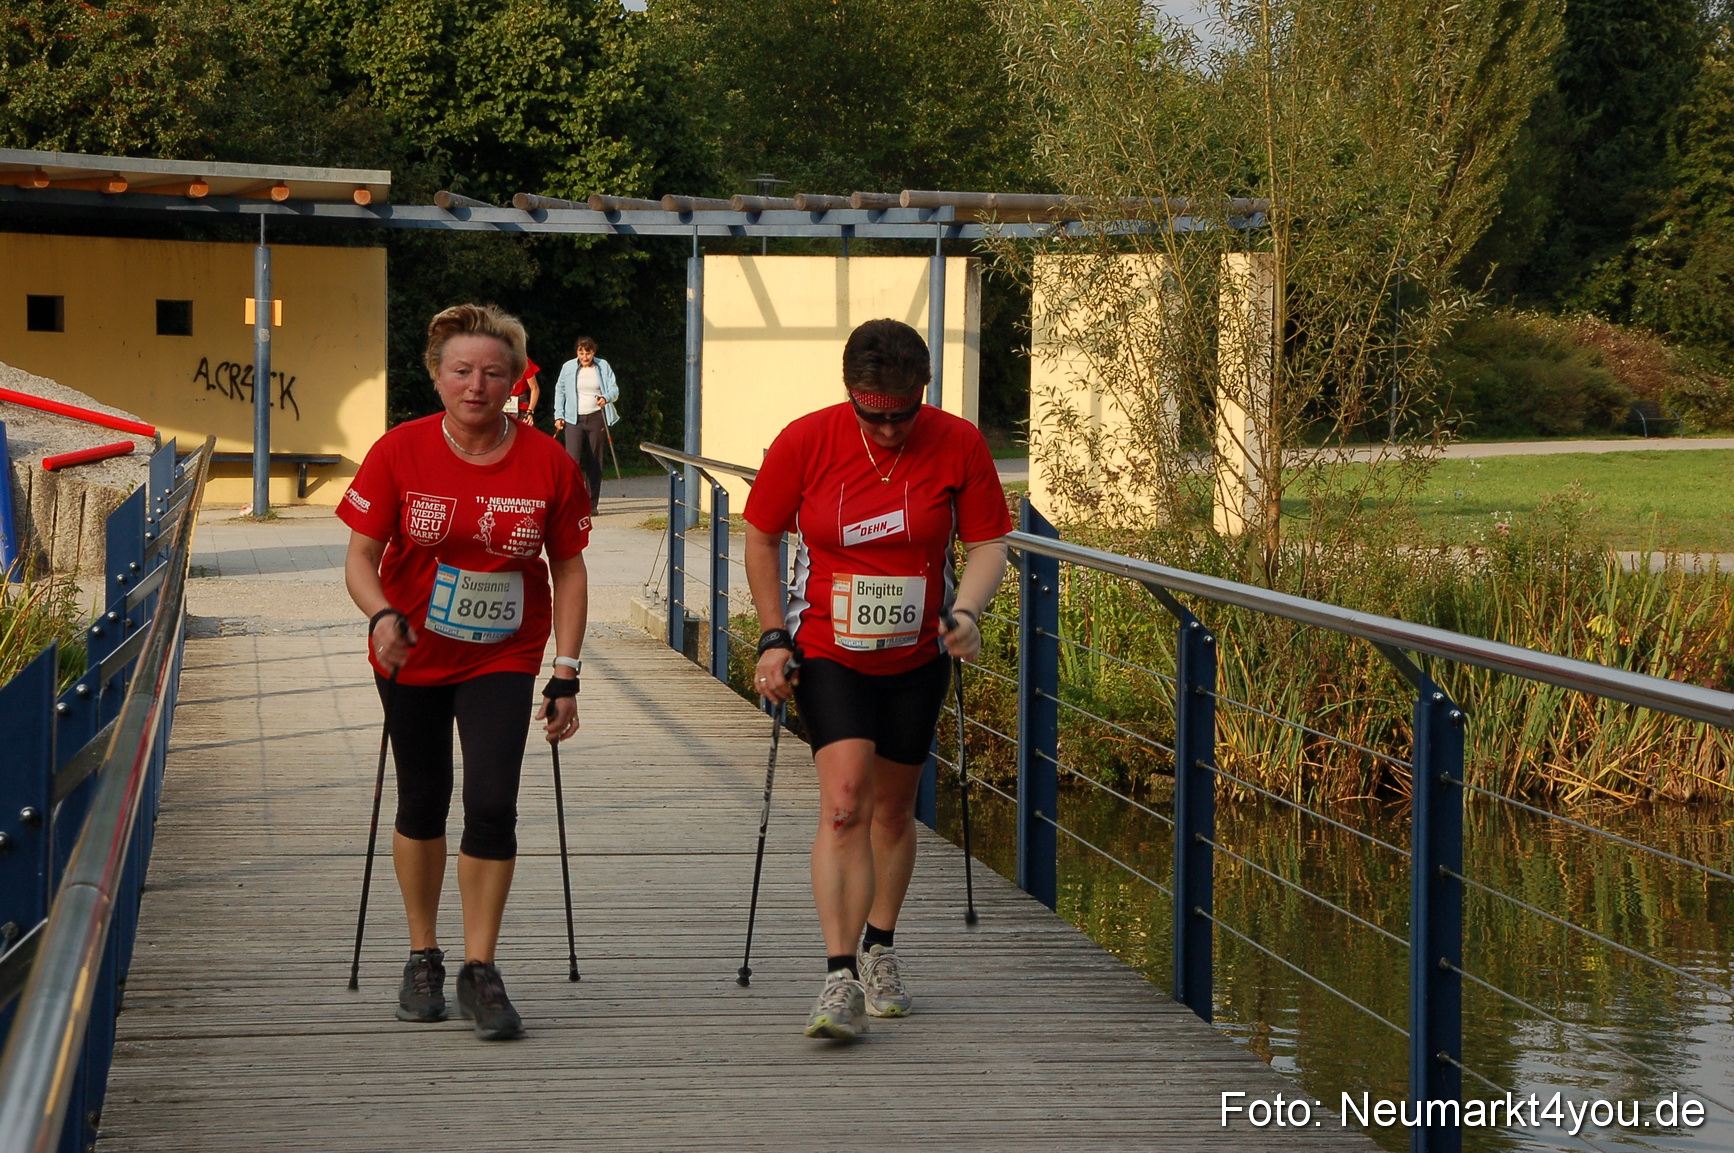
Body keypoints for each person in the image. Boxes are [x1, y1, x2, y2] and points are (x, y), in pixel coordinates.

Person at [743, 318, 1011, 1041]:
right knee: (843, 801)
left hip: (918, 654)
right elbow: (762, 533)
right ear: (851, 395)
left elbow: (988, 542)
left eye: (903, 413)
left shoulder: (958, 442)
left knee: (894, 810)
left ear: (922, 391)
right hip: (829, 647)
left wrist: (966, 609)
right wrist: (773, 633)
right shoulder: (807, 440)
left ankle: (880, 947)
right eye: (874, 415)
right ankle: (837, 977)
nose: (889, 429)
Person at [338, 303, 592, 1041]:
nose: (476, 385)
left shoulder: (549, 461)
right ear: (437, 375)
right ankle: (424, 954)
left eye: (492, 372)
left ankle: (481, 967)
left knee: (490, 802)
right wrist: (382, 616)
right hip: (410, 649)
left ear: (516, 380)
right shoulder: (399, 450)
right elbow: (359, 556)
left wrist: (566, 668)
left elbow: (568, 568)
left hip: (501, 653)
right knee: (422, 799)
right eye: (461, 371)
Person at [553, 337, 619, 515]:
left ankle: (591, 504)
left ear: (593, 352)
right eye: (581, 352)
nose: (584, 356)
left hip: (596, 417)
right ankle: (573, 501)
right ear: (577, 352)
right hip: (573, 419)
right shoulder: (568, 367)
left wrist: (606, 397)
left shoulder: (602, 366)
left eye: (588, 353)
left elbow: (614, 389)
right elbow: (560, 391)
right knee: (571, 461)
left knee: (595, 460)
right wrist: (558, 414)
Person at [507, 357, 540, 426]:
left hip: (520, 408)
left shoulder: (523, 361)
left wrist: (530, 412)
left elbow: (534, 388)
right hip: (499, 406)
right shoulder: (497, 358)